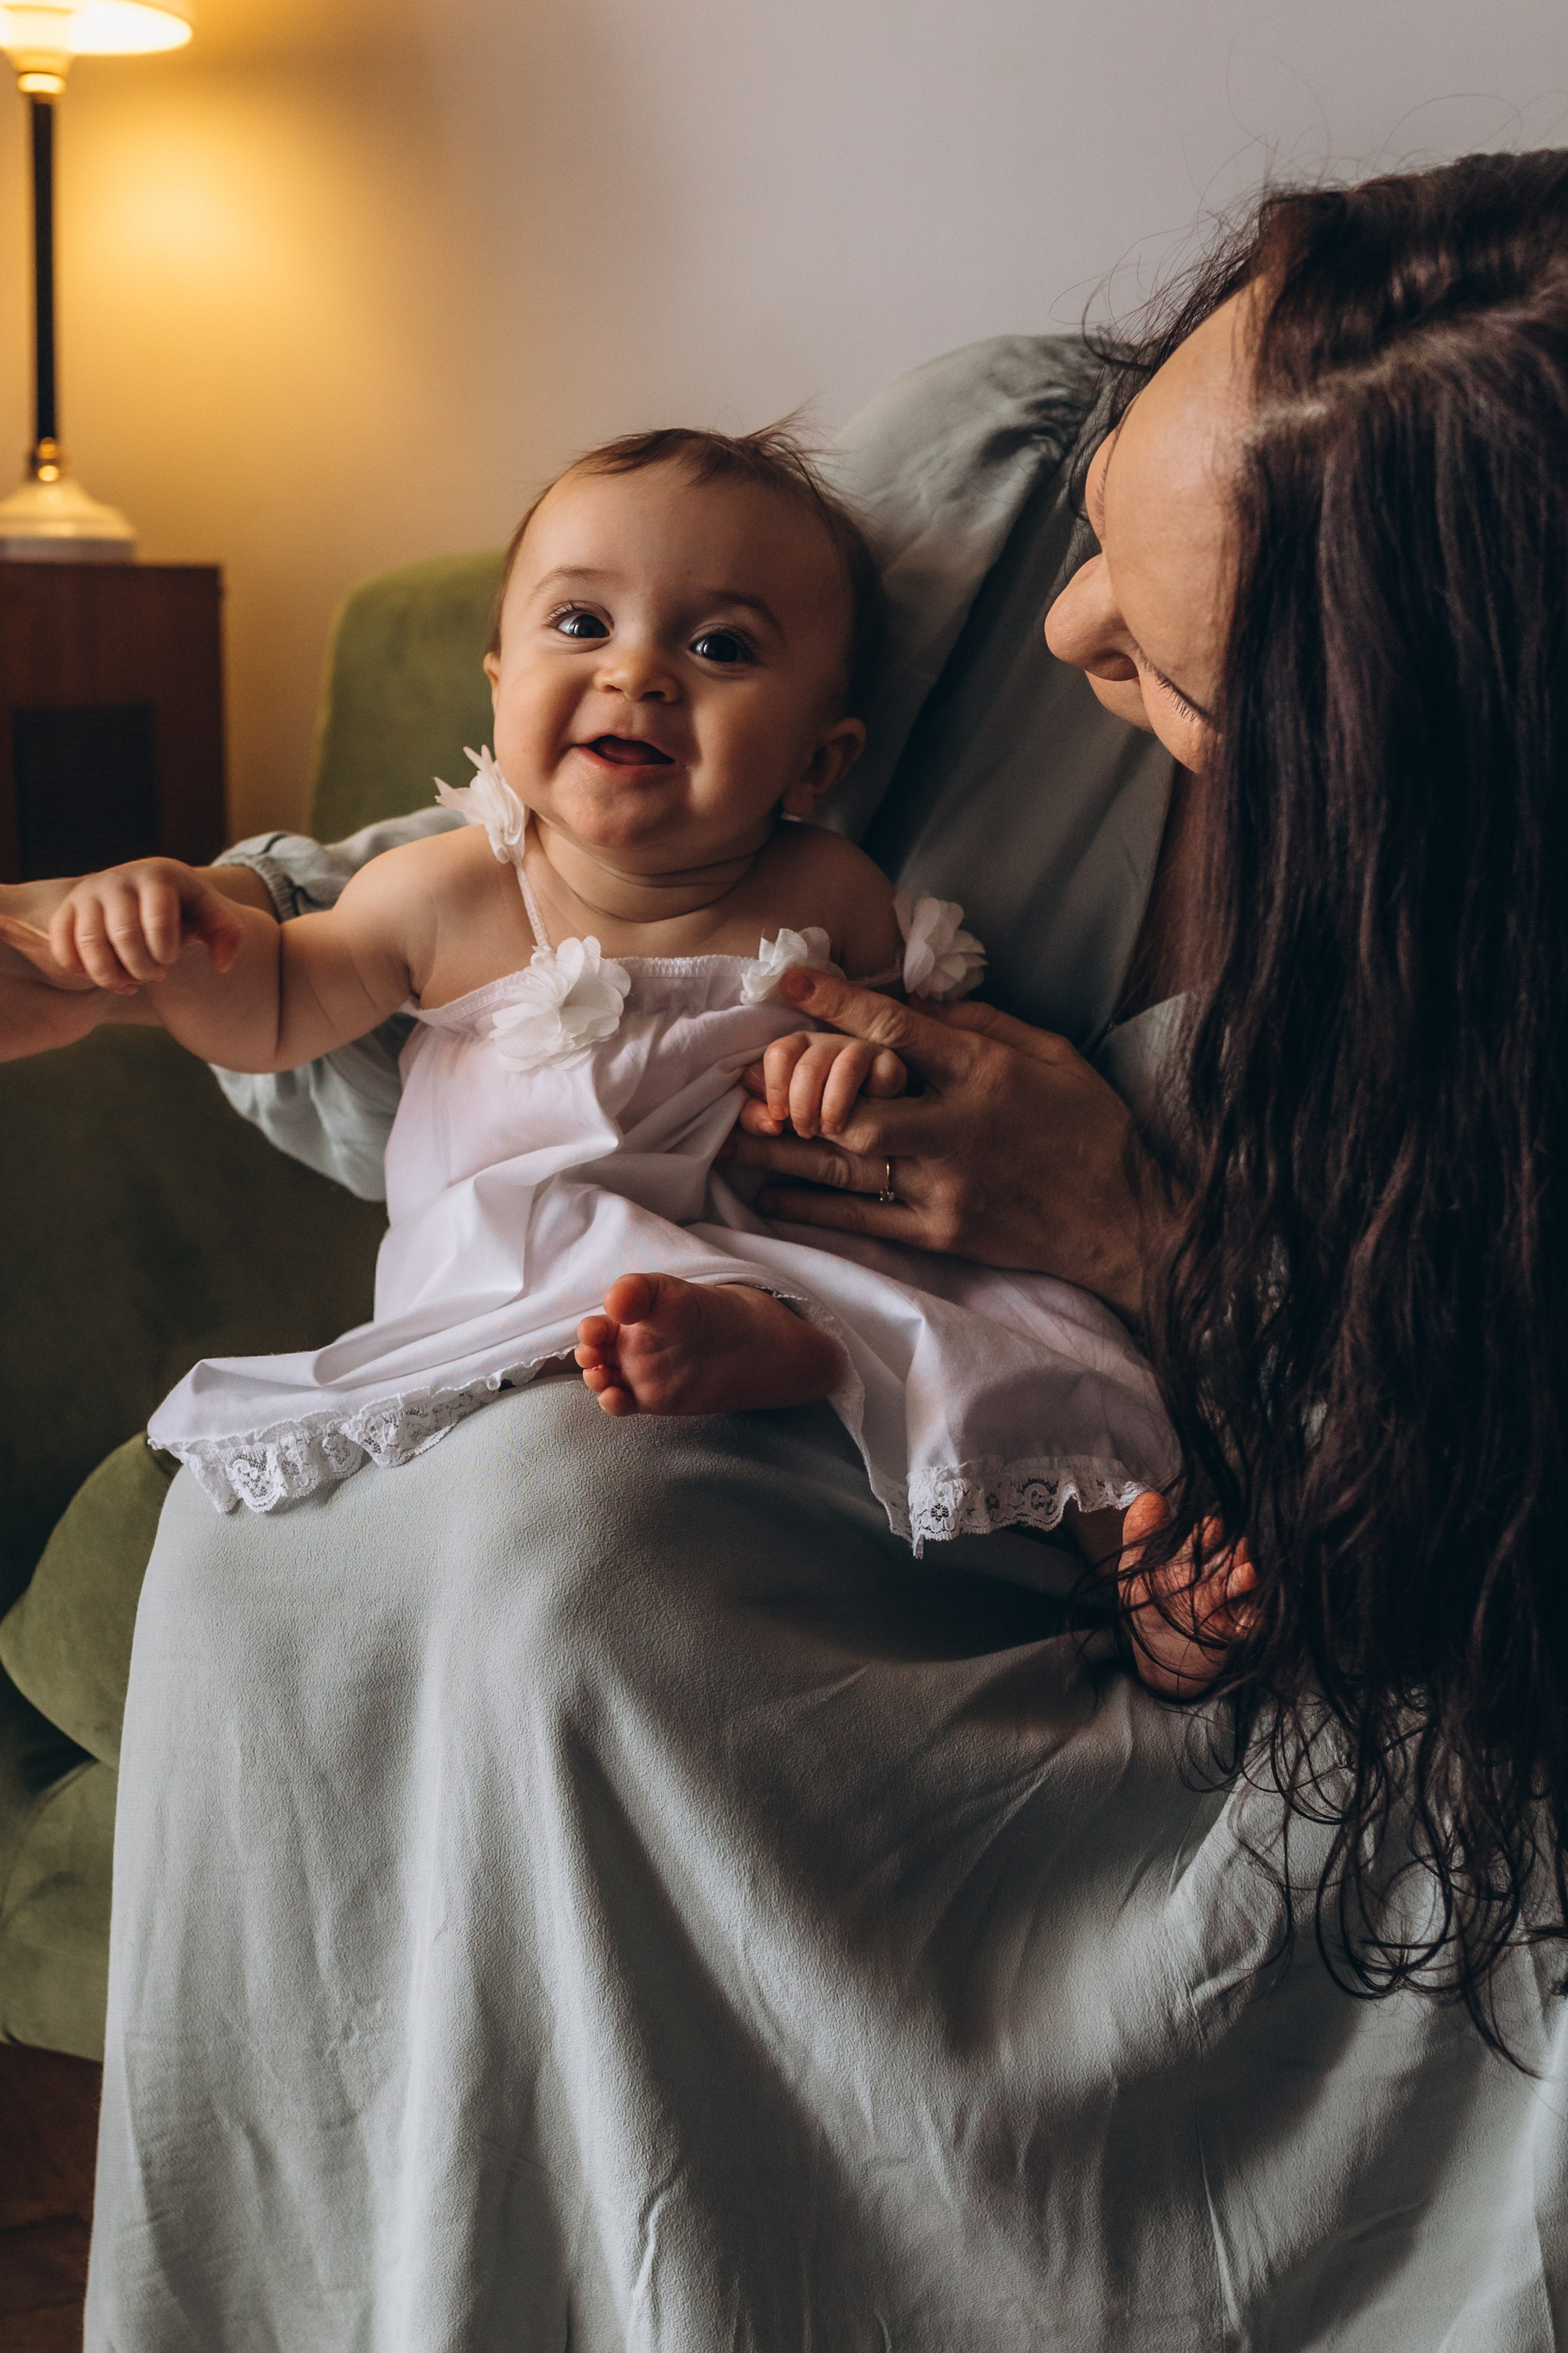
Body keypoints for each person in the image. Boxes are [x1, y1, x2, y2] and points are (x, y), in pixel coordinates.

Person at [6, 148, 1566, 2348]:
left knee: (565, 1570)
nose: (1062, 627)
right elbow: (484, 888)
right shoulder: (1005, 470)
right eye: (1116, 519)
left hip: (1145, 1530)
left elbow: (1460, 1494)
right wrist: (142, 941)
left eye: (1179, 671)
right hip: (714, 1398)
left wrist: (1135, 1226)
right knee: (299, 1562)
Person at [13, 424, 1173, 1564]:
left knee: (1009, 1335)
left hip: (774, 1252)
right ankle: (755, 1347)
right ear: (500, 683)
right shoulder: (444, 890)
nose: (638, 672)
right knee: (594, 1263)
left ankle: (1136, 1562)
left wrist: (840, 1073)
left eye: (721, 648)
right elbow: (269, 1014)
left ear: (819, 761)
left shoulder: (828, 888)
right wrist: (171, 940)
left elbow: (888, 1066)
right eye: (581, 624)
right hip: (516, 1271)